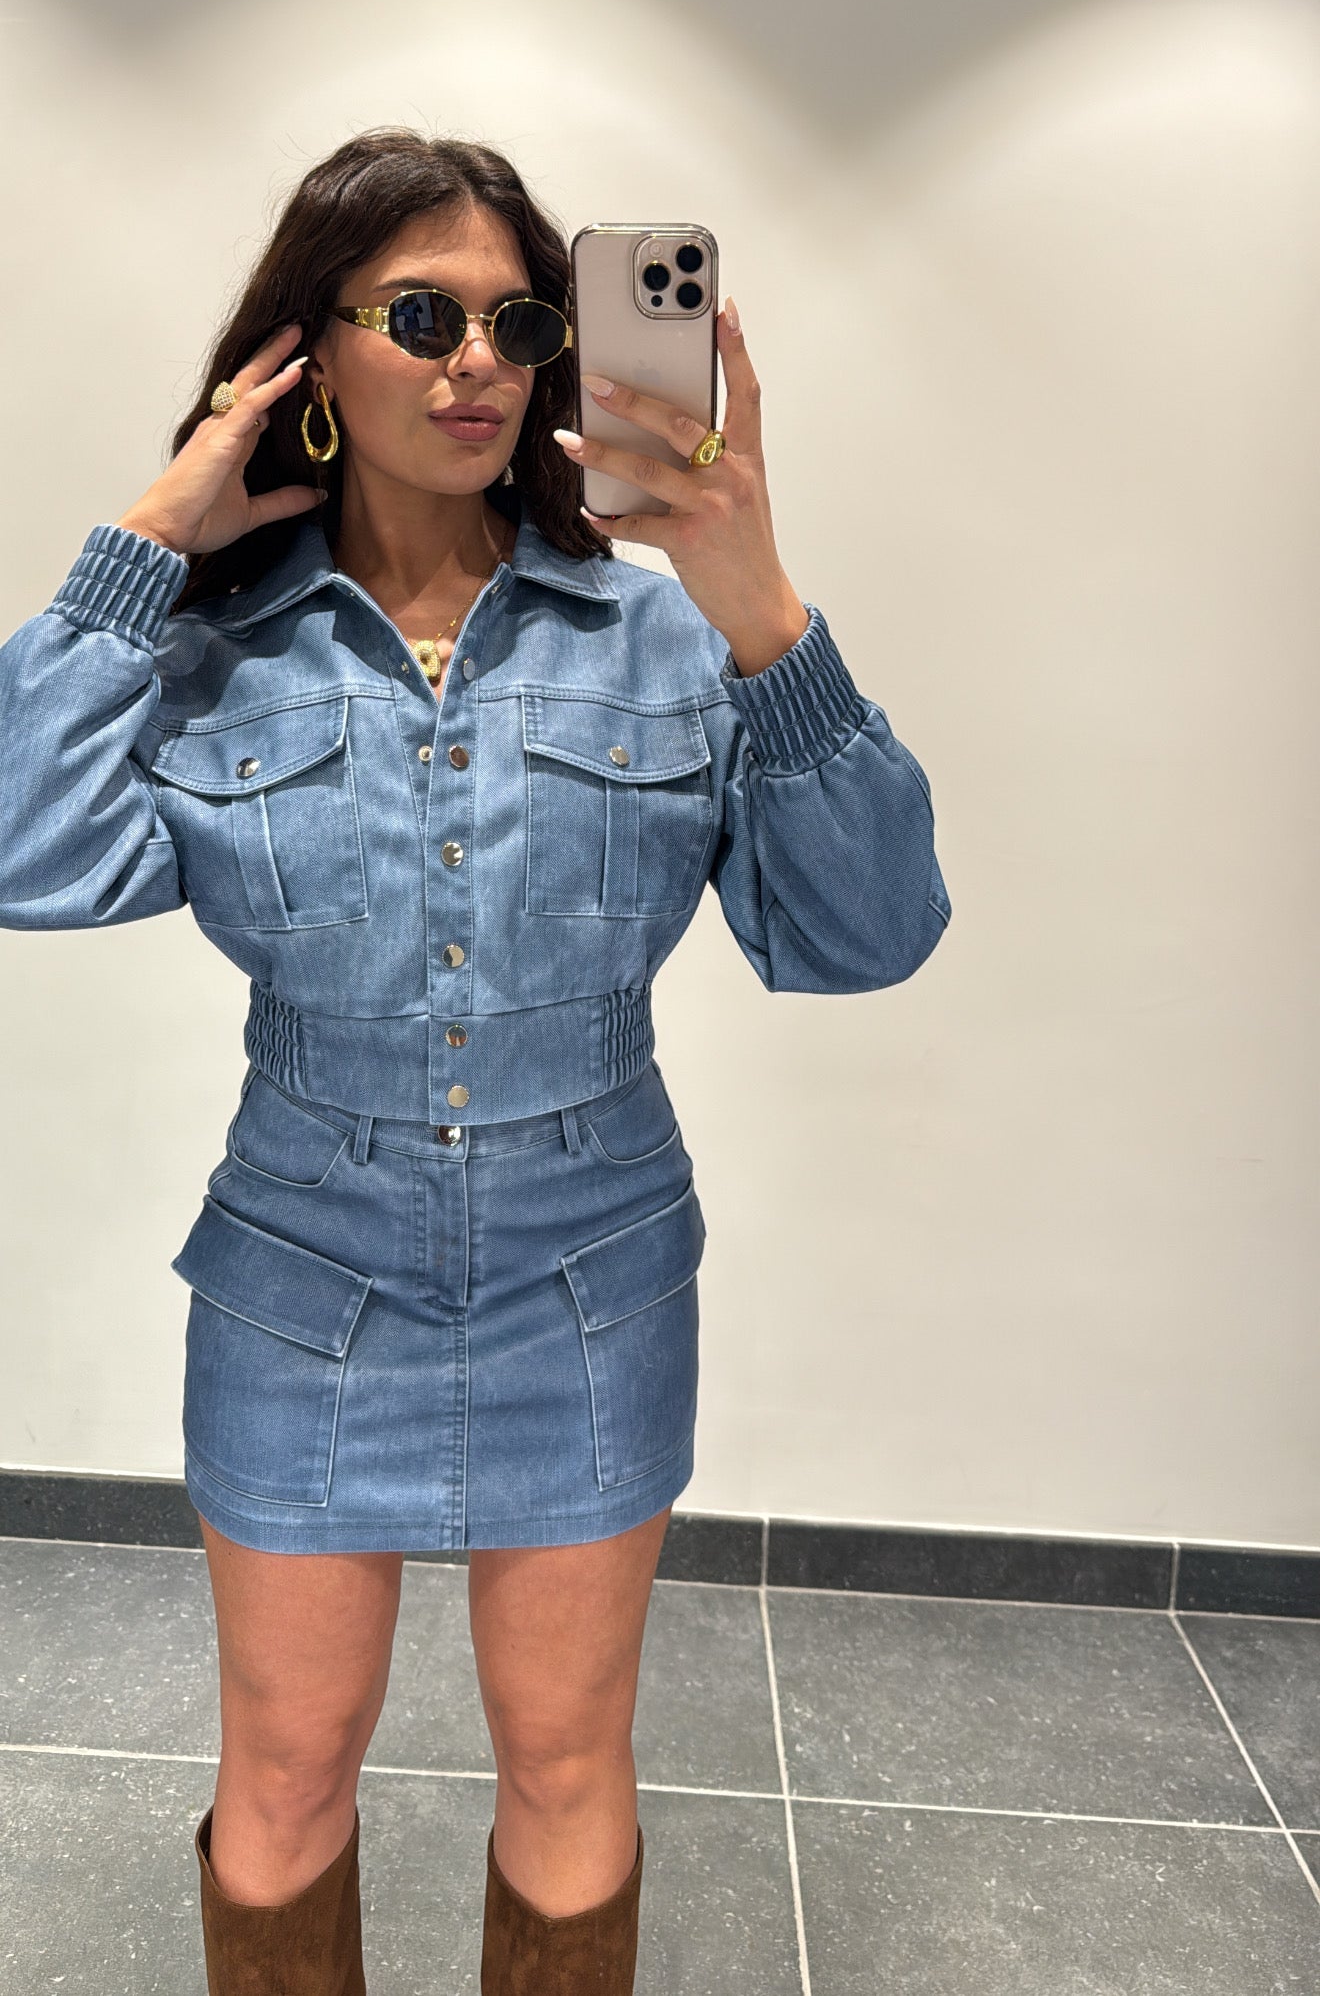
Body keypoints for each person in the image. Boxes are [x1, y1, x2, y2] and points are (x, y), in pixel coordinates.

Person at [0, 129, 950, 1994]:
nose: (481, 365)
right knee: (284, 1769)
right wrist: (148, 542)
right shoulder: (216, 655)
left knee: (569, 1760)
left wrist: (760, 598)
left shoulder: (665, 639)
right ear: (310, 351)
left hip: (590, 1279)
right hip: (302, 1283)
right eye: (423, 317)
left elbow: (868, 931)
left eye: (519, 323)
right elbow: (19, 843)